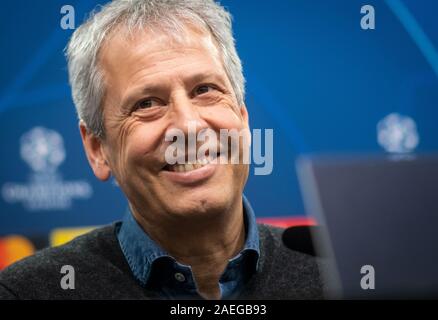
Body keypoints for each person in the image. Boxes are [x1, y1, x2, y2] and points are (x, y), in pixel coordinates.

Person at [0, 0, 323, 299]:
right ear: (98, 149)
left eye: (205, 90)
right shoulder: (29, 293)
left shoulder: (337, 274)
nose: (189, 126)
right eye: (147, 103)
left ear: (242, 117)